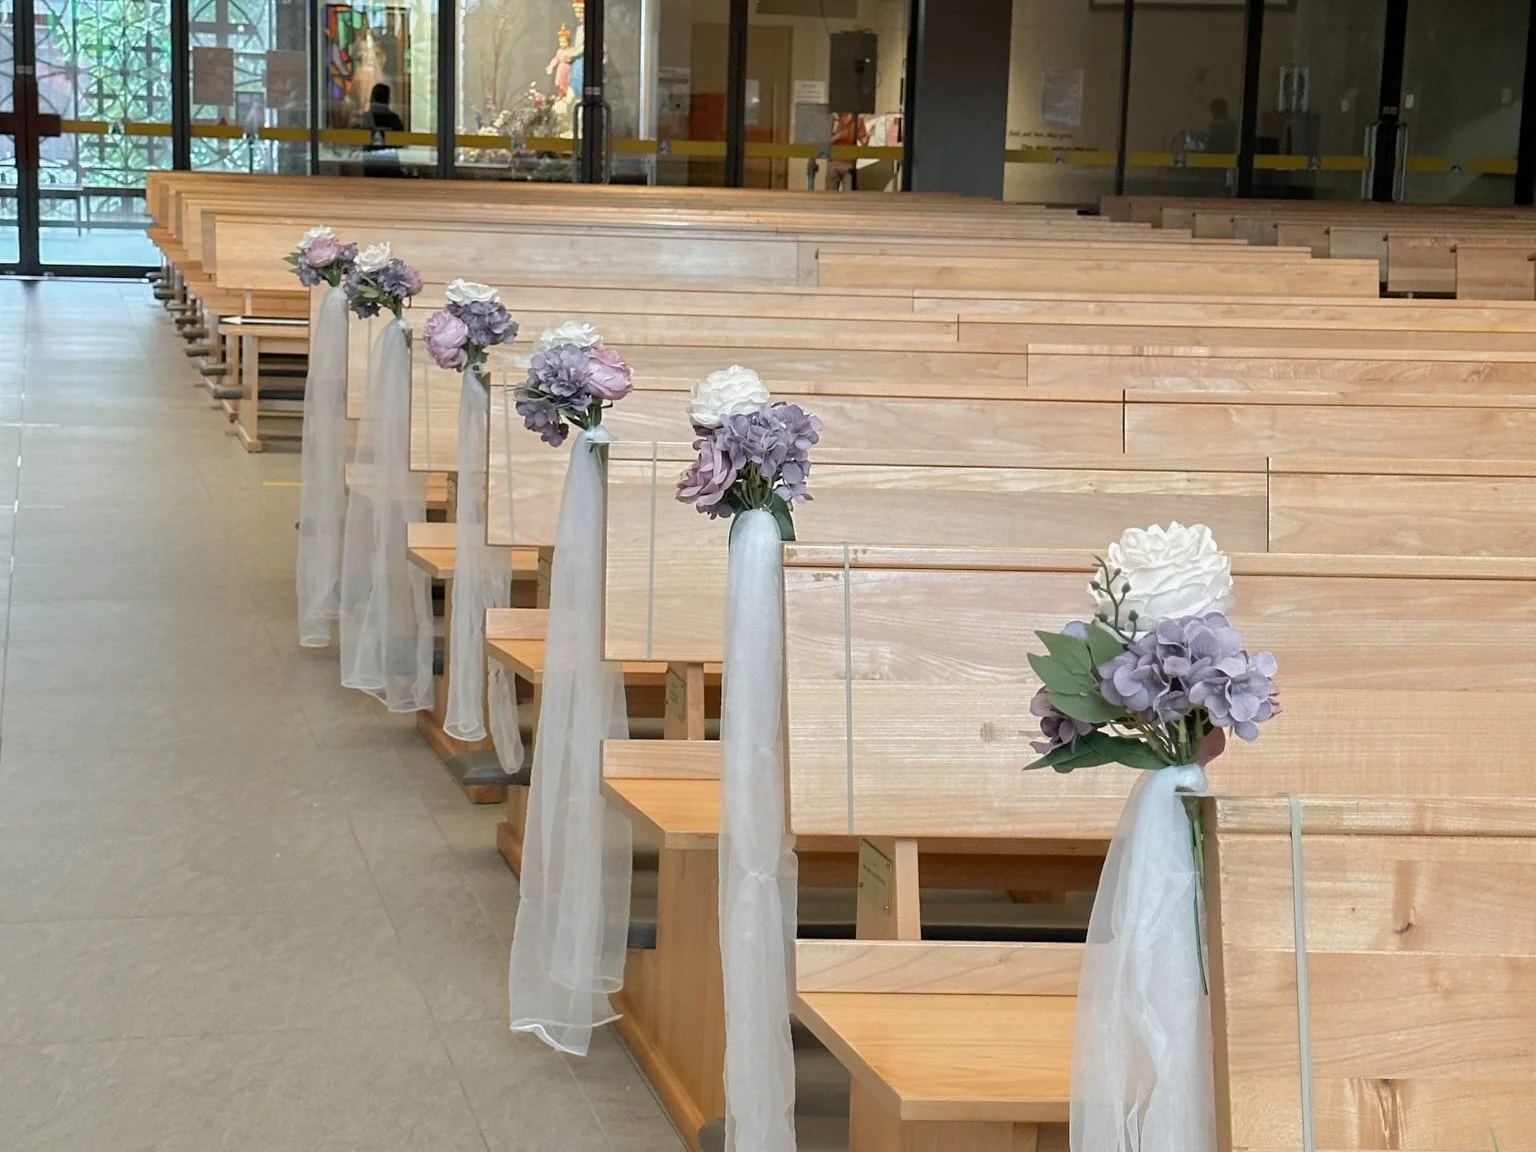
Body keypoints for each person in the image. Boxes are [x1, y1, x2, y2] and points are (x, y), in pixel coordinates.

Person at [361, 82, 406, 177]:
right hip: (390, 162)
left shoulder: (366, 118)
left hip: (370, 162)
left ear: (372, 97)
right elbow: (401, 142)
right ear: (388, 99)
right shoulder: (394, 118)